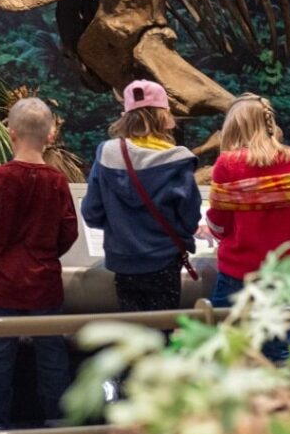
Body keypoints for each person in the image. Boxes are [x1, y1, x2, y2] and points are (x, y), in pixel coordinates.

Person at [0, 97, 79, 429]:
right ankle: (59, 425)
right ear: (50, 135)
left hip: (3, 283)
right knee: (52, 358)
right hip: (44, 284)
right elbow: (69, 232)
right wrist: (47, 255)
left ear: (10, 133)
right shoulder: (57, 181)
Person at [205, 93, 290, 363]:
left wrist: (214, 231)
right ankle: (280, 402)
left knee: (224, 345)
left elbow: (219, 222)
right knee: (277, 348)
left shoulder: (228, 164)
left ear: (235, 125)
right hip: (279, 273)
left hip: (236, 271)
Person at [81, 80, 202, 312]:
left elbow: (91, 213)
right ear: (164, 115)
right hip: (164, 262)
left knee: (136, 334)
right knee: (162, 333)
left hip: (123, 262)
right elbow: (189, 219)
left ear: (125, 116)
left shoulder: (106, 154)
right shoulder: (178, 161)